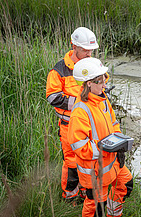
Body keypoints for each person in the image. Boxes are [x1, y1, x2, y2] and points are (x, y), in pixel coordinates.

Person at [68, 57, 133, 217]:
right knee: (96, 208)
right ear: (88, 83)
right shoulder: (80, 111)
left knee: (126, 184)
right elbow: (79, 146)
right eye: (100, 82)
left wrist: (119, 144)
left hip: (113, 162)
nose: (105, 85)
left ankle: (113, 214)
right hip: (95, 171)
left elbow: (114, 123)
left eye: (105, 79)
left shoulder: (102, 100)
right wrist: (104, 147)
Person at [46, 27, 99, 200]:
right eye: (85, 50)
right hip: (68, 126)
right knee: (71, 162)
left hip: (90, 125)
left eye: (91, 50)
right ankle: (70, 195)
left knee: (90, 158)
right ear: (74, 46)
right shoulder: (59, 70)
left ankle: (86, 191)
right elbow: (53, 97)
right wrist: (80, 103)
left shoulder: (92, 65)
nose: (89, 53)